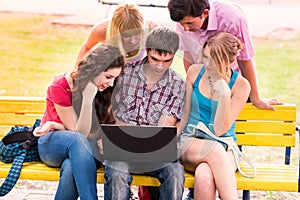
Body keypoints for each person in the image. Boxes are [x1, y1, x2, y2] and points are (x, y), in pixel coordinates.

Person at [33, 43, 125, 200]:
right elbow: (77, 132)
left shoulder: (107, 89)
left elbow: (98, 129)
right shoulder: (61, 85)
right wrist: (88, 100)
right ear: (94, 69)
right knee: (78, 141)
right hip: (54, 143)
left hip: (86, 149)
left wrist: (55, 123)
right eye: (108, 77)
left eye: (115, 78)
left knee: (71, 168)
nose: (111, 83)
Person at [104, 27, 186, 200]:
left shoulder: (178, 84)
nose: (159, 66)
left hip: (156, 152)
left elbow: (166, 125)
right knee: (117, 172)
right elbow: (111, 115)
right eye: (155, 58)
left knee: (175, 172)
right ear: (147, 50)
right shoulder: (124, 75)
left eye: (167, 61)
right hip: (122, 149)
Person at [167, 0, 281, 110]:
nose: (185, 29)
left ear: (205, 13)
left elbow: (245, 58)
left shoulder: (233, 18)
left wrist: (255, 98)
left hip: (231, 85)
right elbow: (189, 56)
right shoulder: (184, 23)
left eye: (189, 23)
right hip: (204, 86)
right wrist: (195, 90)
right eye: (181, 24)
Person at [178, 31, 250, 200]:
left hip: (224, 144)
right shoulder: (195, 73)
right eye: (205, 56)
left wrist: (224, 95)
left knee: (204, 175)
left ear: (228, 60)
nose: (206, 63)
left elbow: (220, 131)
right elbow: (184, 113)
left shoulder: (241, 85)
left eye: (213, 59)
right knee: (213, 149)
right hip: (191, 141)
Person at [75, 2, 158, 68]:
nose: (133, 40)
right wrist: (77, 71)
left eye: (137, 33)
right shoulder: (101, 30)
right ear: (116, 31)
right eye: (126, 35)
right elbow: (87, 47)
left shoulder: (153, 30)